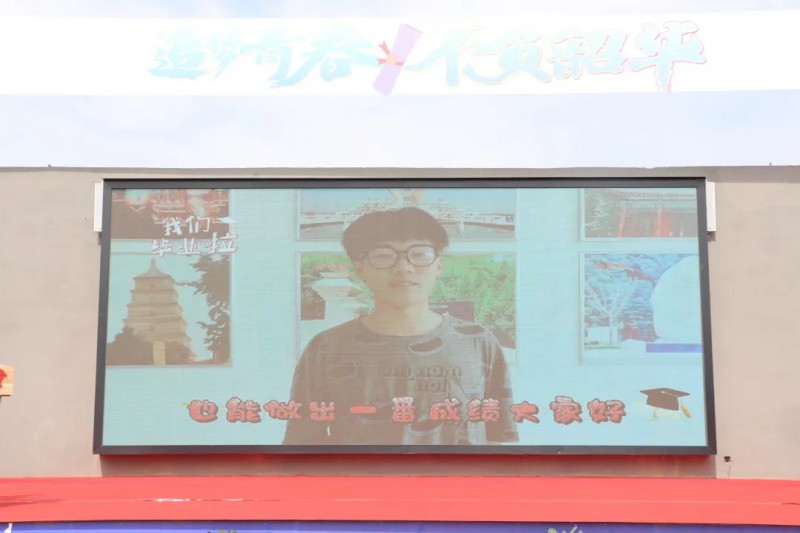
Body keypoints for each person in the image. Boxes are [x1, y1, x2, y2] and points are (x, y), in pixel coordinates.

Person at [283, 207, 518, 445]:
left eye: (420, 254)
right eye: (384, 256)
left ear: (438, 265)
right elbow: (303, 444)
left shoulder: (478, 341)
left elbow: (497, 437)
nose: (404, 267)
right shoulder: (327, 347)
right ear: (359, 267)